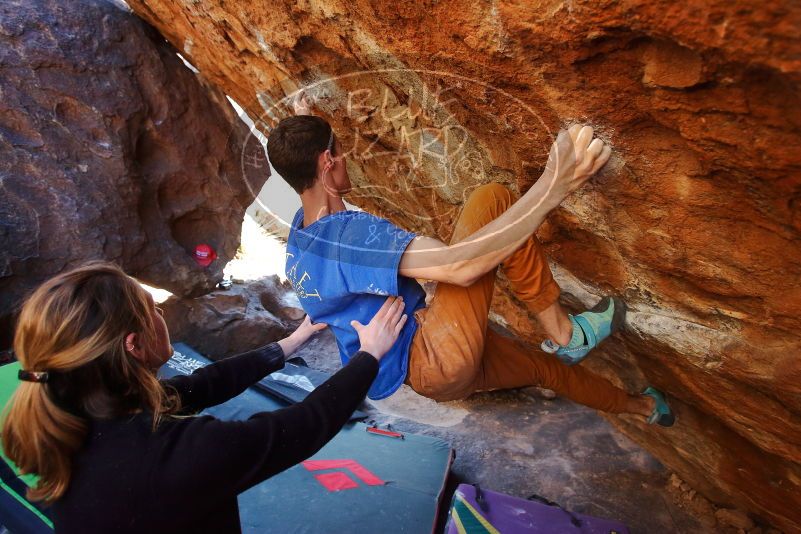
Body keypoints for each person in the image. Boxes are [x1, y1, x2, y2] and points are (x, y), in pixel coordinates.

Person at [266, 109, 674, 427]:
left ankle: (645, 408)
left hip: (426, 379)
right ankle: (564, 331)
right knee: (491, 199)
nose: (347, 157)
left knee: (545, 369)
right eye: (340, 149)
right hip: (436, 351)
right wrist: (557, 181)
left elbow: (333, 296)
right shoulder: (348, 235)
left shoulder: (301, 244)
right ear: (327, 160)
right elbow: (462, 267)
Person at [1, 262, 407, 533]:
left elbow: (203, 385)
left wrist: (292, 342)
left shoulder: (86, 412)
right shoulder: (173, 456)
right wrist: (369, 354)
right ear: (134, 345)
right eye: (153, 310)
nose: (162, 314)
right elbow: (299, 428)